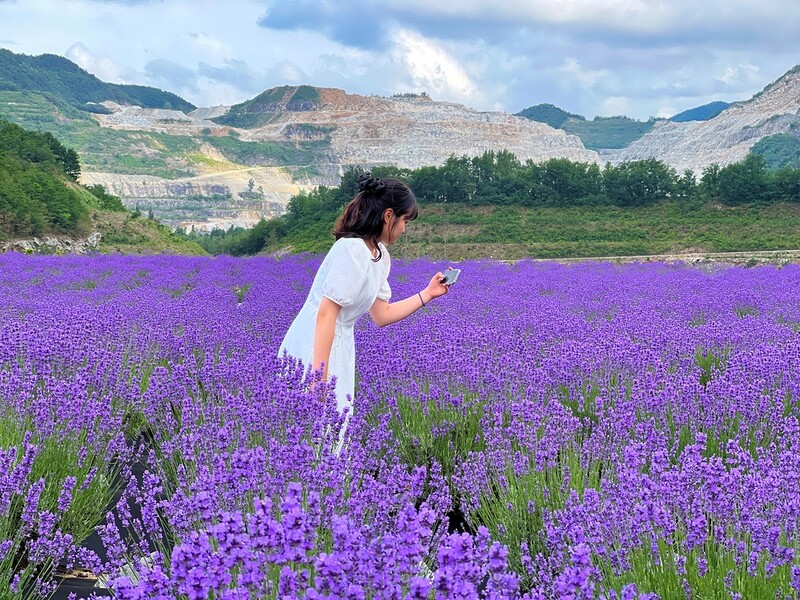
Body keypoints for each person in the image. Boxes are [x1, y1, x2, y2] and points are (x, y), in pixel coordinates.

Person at [278, 171, 450, 415]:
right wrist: (318, 379)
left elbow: (382, 315)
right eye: (405, 221)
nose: (404, 229)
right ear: (388, 216)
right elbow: (326, 314)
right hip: (315, 344)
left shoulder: (380, 257)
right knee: (309, 428)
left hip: (341, 346)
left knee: (332, 431)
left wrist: (428, 293)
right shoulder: (351, 249)